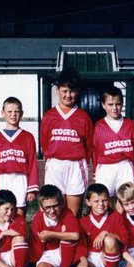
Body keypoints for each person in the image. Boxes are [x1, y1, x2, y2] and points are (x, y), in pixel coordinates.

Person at [40, 68, 93, 217]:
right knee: (54, 210)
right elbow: (45, 143)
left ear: (78, 92)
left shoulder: (83, 117)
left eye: (72, 91)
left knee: (73, 213)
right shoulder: (49, 116)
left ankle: (73, 233)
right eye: (64, 91)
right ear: (57, 90)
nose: (68, 95)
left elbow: (89, 145)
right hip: (55, 165)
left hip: (76, 166)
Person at [0, 97, 39, 215]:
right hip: (3, 179)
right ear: (3, 113)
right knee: (3, 214)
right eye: (9, 111)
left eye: (16, 111)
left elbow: (32, 163)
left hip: (21, 179)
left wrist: (31, 188)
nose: (13, 114)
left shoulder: (28, 137)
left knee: (19, 214)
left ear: (22, 113)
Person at [92, 85, 134, 210]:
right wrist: (95, 171)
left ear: (122, 104)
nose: (114, 108)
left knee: (125, 201)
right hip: (105, 167)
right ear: (103, 105)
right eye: (110, 104)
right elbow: (95, 150)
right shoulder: (98, 126)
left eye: (118, 104)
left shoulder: (130, 124)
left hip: (125, 166)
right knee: (105, 202)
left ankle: (121, 221)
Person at [76, 183, 129, 267]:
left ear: (108, 200)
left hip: (110, 255)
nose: (101, 204)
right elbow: (81, 245)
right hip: (92, 257)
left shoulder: (116, 216)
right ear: (88, 202)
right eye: (96, 201)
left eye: (104, 200)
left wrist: (106, 233)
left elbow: (124, 239)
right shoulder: (83, 221)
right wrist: (83, 261)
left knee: (109, 240)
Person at [29, 184, 81, 267]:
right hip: (48, 254)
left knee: (67, 233)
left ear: (61, 203)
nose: (52, 211)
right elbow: (35, 246)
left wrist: (51, 234)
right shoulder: (38, 219)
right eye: (48, 207)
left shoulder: (67, 213)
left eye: (55, 206)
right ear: (41, 207)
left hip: (66, 251)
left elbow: (75, 235)